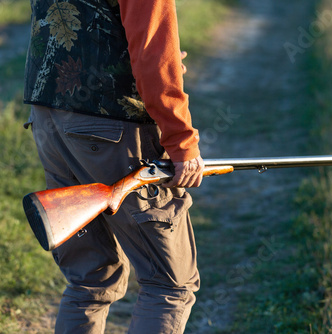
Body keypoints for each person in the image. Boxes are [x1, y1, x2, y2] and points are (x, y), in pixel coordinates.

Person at [23, 0, 204, 333]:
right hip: (110, 123)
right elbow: (152, 53)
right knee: (169, 283)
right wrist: (181, 142)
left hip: (47, 115)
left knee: (89, 279)